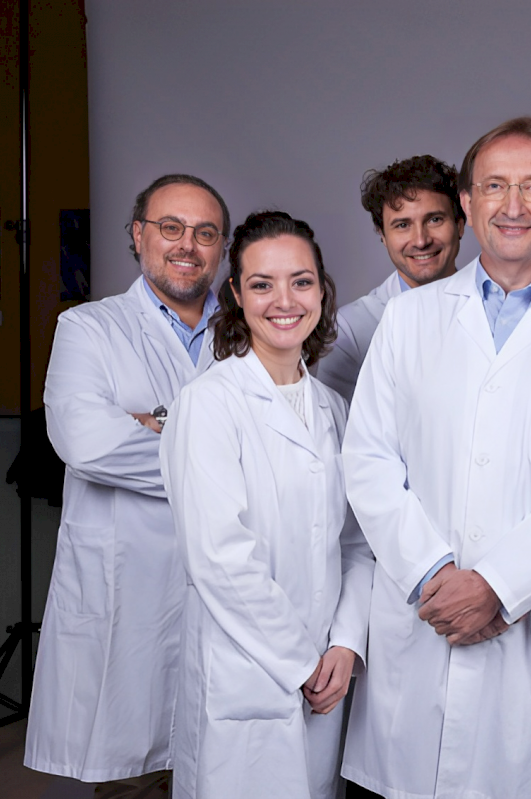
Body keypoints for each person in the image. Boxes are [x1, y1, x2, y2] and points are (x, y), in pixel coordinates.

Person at [341, 116, 531, 799]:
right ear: (468, 204)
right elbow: (369, 460)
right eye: (495, 185)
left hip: (525, 632)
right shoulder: (408, 320)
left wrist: (496, 586)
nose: (513, 204)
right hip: (421, 620)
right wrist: (433, 574)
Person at [159, 211, 375, 799]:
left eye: (301, 281)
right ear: (236, 294)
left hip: (326, 673)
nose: (284, 301)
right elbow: (219, 557)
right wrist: (300, 662)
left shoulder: (335, 410)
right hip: (247, 673)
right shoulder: (208, 404)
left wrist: (345, 644)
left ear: (322, 291)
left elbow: (358, 542)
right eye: (262, 284)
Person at [26, 174, 229, 795]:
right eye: (170, 227)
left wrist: (157, 422)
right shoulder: (88, 328)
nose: (187, 244)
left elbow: (285, 449)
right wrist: (225, 458)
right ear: (138, 235)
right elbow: (90, 444)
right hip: (128, 593)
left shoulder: (253, 331)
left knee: (227, 770)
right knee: (133, 778)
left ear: (222, 247)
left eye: (205, 232)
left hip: (229, 588)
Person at [314, 154, 465, 399]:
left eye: (435, 219)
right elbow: (336, 419)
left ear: (459, 225)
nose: (421, 240)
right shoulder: (352, 329)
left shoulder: (496, 306)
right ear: (382, 236)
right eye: (402, 225)